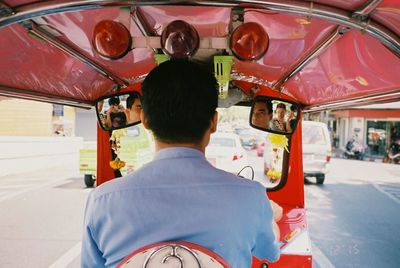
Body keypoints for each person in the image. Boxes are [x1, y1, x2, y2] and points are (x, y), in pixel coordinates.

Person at [81, 60, 280, 267]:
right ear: (213, 122)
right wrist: (271, 218)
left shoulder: (102, 201)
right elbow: (270, 252)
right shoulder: (251, 197)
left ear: (145, 120)